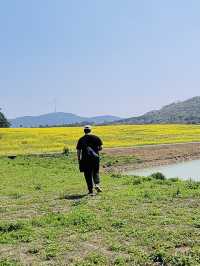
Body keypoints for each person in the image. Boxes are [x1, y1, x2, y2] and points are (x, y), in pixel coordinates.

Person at [76, 125, 103, 195]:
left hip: (85, 159)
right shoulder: (96, 137)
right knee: (96, 172)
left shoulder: (81, 139)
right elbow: (100, 148)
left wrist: (79, 159)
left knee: (87, 175)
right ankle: (97, 185)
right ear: (90, 130)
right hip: (95, 159)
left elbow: (78, 151)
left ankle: (90, 190)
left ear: (84, 131)